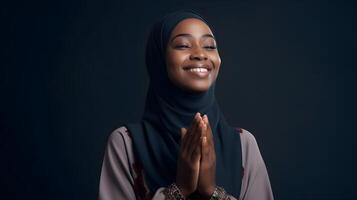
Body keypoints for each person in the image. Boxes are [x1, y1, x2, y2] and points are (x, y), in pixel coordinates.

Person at [98, 10, 274, 200]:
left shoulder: (243, 145)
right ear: (159, 59)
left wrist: (212, 192)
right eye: (183, 45)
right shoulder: (126, 143)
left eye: (209, 46)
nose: (200, 54)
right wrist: (179, 190)